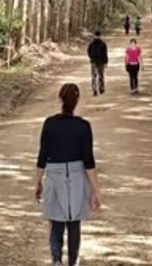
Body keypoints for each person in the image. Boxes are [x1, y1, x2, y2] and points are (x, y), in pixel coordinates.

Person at [35, 84, 103, 266]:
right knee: (74, 223)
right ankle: (73, 262)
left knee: (56, 221)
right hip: (76, 175)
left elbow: (42, 156)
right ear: (77, 101)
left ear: (60, 99)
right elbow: (89, 160)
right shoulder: (83, 126)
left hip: (54, 174)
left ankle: (56, 260)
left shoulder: (49, 124)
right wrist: (96, 191)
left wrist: (37, 182)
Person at [86, 31, 108, 96]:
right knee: (101, 75)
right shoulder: (103, 44)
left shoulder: (91, 44)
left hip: (94, 61)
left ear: (94, 36)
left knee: (94, 76)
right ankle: (101, 88)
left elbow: (88, 52)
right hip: (100, 62)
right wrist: (105, 62)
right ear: (100, 36)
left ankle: (94, 90)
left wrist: (91, 58)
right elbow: (105, 54)